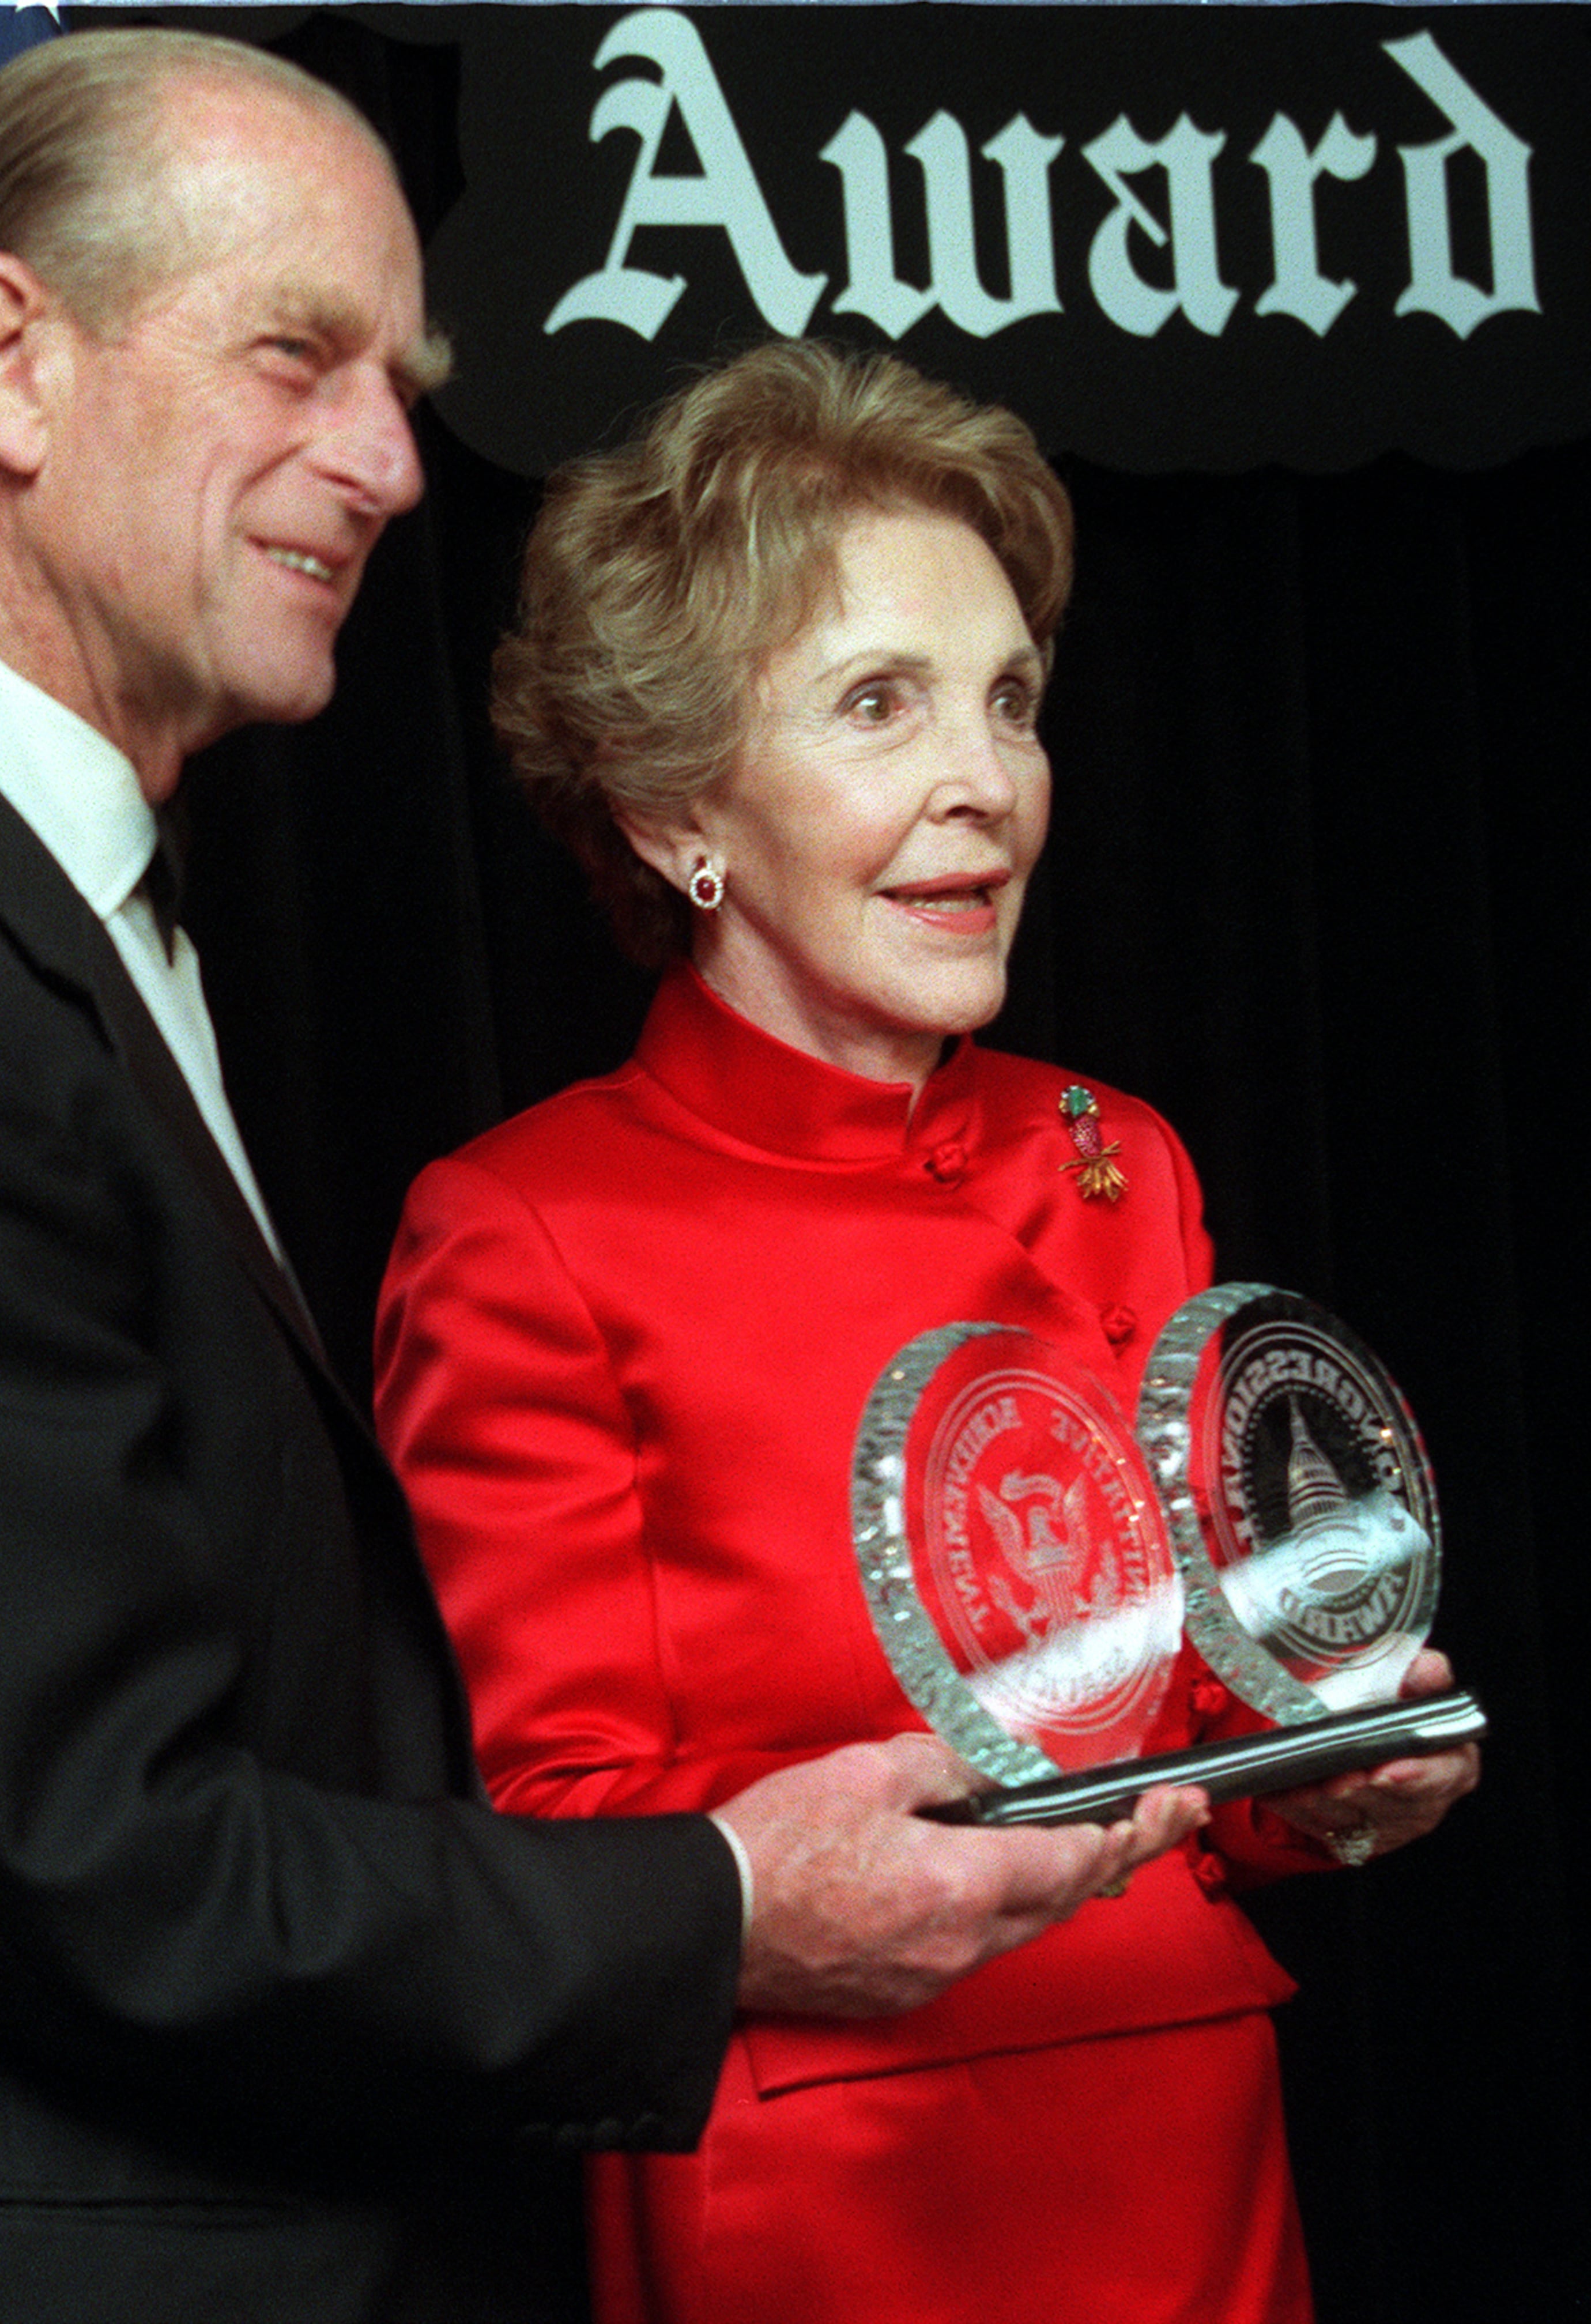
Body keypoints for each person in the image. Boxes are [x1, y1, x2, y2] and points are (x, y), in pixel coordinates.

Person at [0, 39, 1204, 2324]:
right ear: (5, 359)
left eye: (398, 389)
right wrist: (731, 1903)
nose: (395, 465)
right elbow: (95, 1868)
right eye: (296, 359)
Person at [375, 342, 1479, 2324]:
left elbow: (1195, 1735)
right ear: (673, 804)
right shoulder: (525, 1228)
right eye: (879, 703)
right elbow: (549, 1856)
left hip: (1195, 2153)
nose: (986, 783)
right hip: (838, 2188)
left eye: (1010, 700)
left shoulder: (1119, 1154)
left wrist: (1323, 1778)